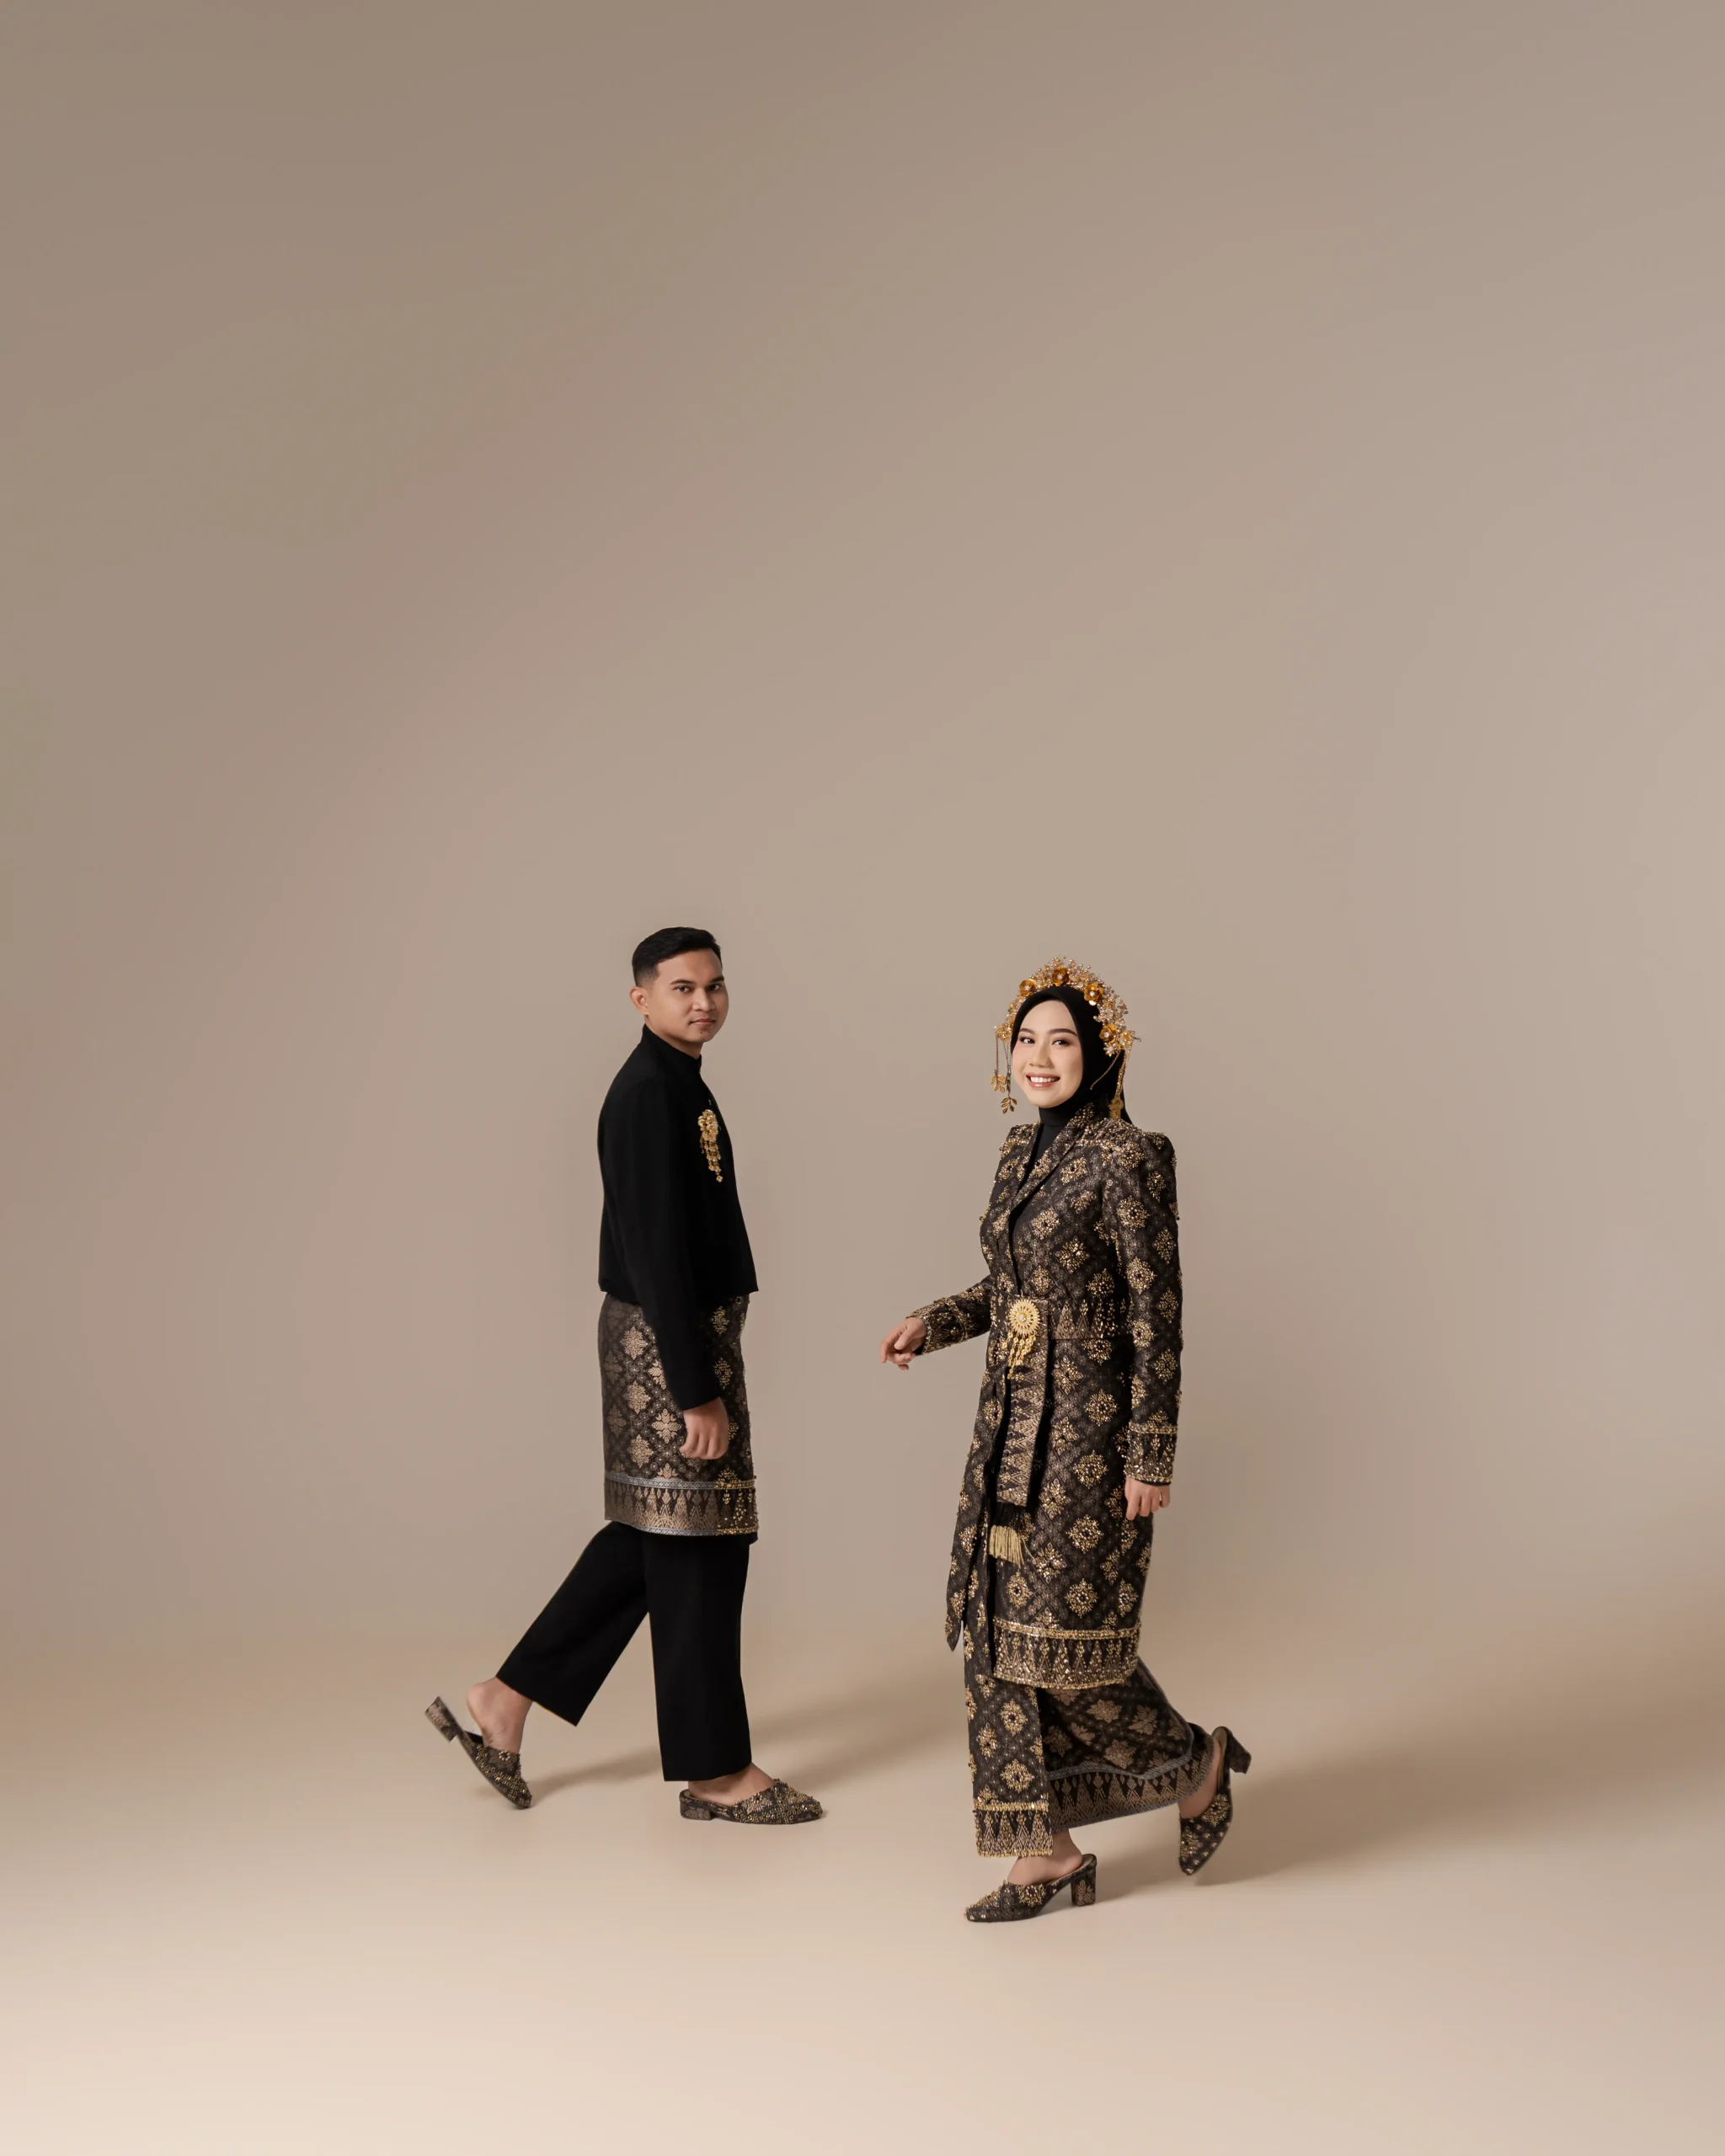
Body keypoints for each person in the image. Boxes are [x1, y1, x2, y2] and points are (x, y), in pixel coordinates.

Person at [427, 927, 820, 1827]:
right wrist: (694, 1390)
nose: (703, 1002)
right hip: (664, 1346)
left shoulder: (680, 1082)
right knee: (698, 1550)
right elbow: (653, 1253)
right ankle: (716, 1773)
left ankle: (504, 1699)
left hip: (680, 1340)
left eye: (715, 986)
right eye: (682, 988)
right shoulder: (646, 1094)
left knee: (656, 1536)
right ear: (641, 999)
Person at [879, 958, 1246, 1919]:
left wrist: (1148, 1453)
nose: (1039, 1057)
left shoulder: (1130, 1156)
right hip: (1008, 1429)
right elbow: (1010, 1289)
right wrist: (934, 1321)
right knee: (997, 1632)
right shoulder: (1018, 1152)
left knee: (1067, 1645)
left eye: (1062, 1041)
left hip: (1088, 1437)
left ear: (1099, 1055)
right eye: (1026, 1040)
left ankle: (1196, 1764)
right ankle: (1043, 1854)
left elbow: (1156, 1315)